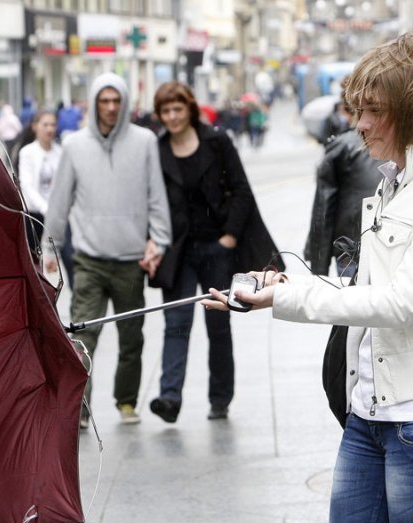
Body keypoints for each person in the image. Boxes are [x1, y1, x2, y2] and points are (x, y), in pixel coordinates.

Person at [204, 31, 413, 523]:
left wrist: (296, 300)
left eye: (372, 111)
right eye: (356, 110)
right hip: (370, 416)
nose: (357, 124)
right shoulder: (397, 182)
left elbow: (400, 302)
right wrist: (279, 289)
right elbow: (371, 289)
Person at [147, 81, 282, 424]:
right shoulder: (157, 149)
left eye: (178, 109)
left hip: (216, 248)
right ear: (160, 115)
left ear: (189, 109)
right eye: (166, 111)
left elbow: (241, 190)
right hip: (177, 251)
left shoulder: (216, 142)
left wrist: (230, 237)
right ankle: (169, 397)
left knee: (217, 325)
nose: (173, 116)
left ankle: (220, 398)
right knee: (176, 323)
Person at [45, 73, 172, 428]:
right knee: (82, 337)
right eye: (104, 100)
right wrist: (48, 248)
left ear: (126, 103)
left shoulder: (144, 141)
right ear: (94, 102)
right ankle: (80, 408)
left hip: (131, 260)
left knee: (132, 336)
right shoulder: (74, 144)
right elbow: (59, 201)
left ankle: (127, 401)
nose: (111, 107)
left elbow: (156, 196)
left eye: (117, 101)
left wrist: (158, 241)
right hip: (88, 259)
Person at [304, 103, 384, 277]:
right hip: (384, 248)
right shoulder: (399, 144)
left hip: (351, 250)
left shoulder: (341, 146)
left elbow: (323, 211)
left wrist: (319, 270)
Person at [17, 110, 74, 288]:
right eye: (45, 125)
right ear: (35, 127)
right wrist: (45, 208)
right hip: (35, 216)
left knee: (71, 259)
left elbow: (66, 183)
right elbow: (27, 186)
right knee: (34, 266)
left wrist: (60, 210)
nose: (50, 129)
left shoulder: (61, 151)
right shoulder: (27, 152)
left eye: (53, 125)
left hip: (59, 216)